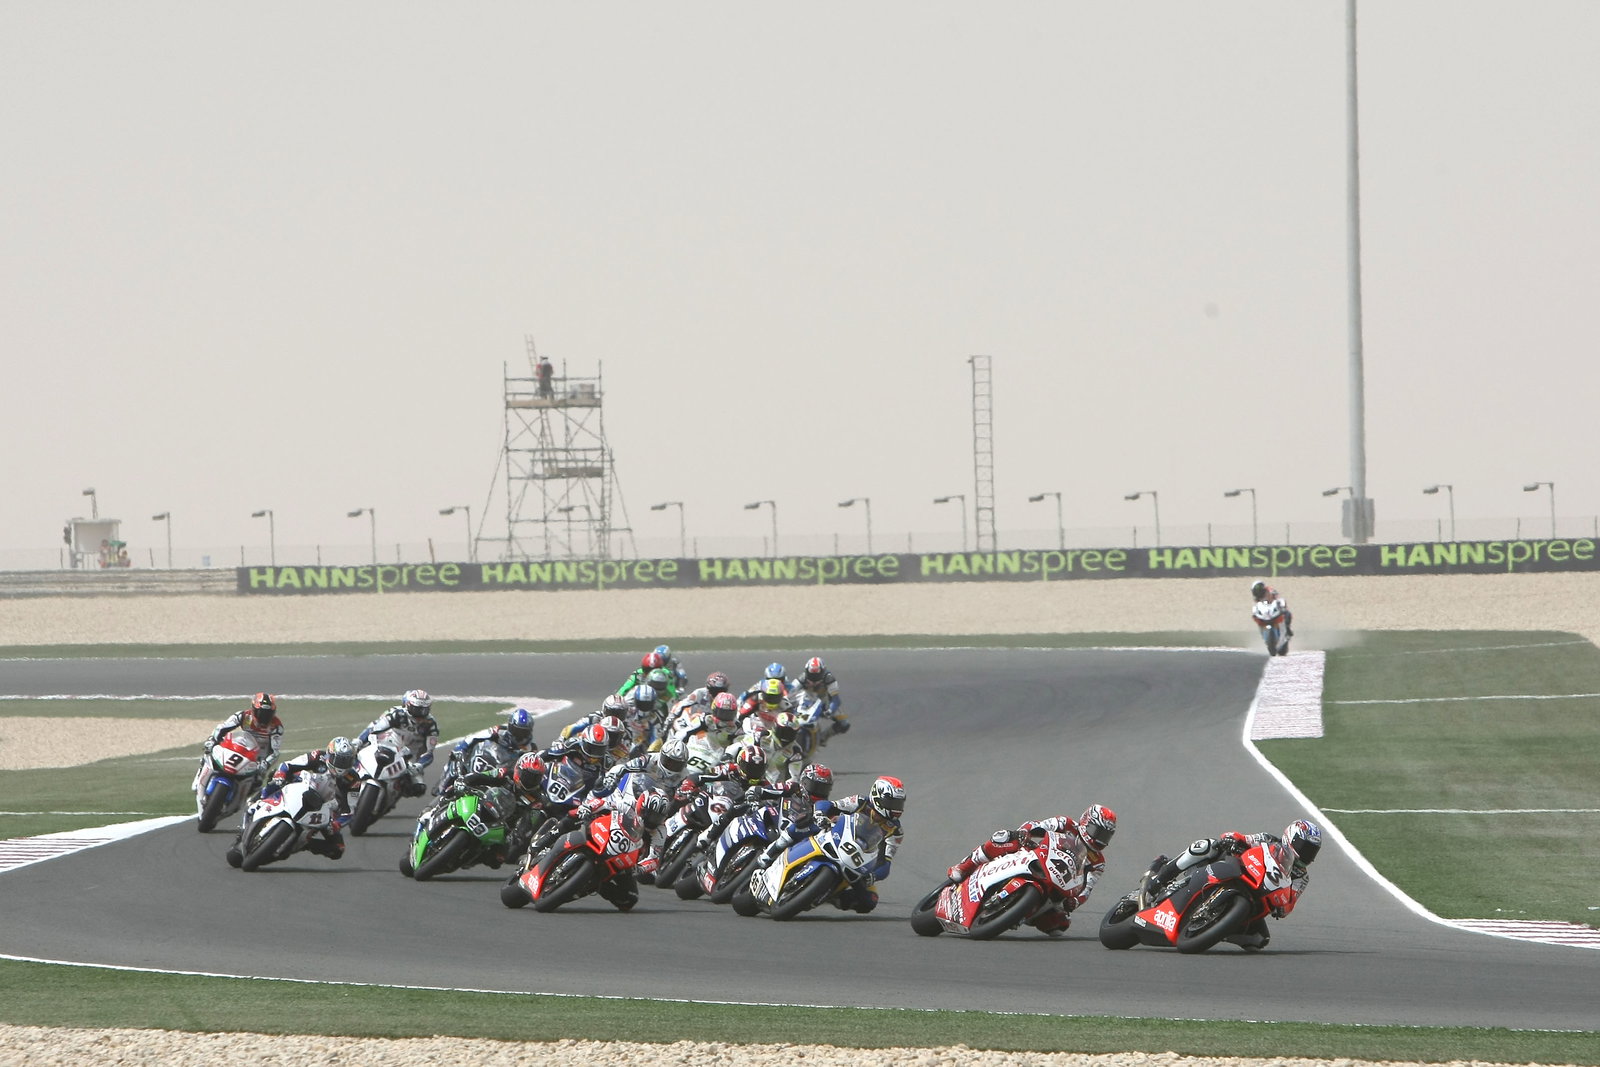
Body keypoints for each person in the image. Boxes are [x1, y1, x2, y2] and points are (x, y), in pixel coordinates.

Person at [1145, 819, 1322, 949]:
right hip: (1237, 869)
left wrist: (1282, 906)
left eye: (1312, 851)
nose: (1307, 854)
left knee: (1259, 940)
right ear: (1290, 838)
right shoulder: (1269, 840)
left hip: (1258, 897)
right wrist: (1233, 840)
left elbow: (1289, 904)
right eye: (1304, 847)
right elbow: (1242, 838)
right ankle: (1161, 877)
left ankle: (1217, 928)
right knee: (1207, 845)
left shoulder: (1302, 877)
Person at [943, 804, 1118, 936]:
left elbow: (1088, 888)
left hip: (1059, 884)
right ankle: (965, 866)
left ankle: (1020, 912)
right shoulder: (1065, 823)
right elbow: (1038, 825)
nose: (1099, 839)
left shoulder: (1098, 863)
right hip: (1036, 857)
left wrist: (1076, 901)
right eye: (1097, 831)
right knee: (1003, 837)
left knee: (1059, 924)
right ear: (1086, 822)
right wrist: (1025, 832)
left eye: (1105, 836)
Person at [226, 738, 360, 867]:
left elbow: (349, 811)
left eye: (346, 761)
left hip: (324, 810)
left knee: (338, 849)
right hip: (301, 788)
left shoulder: (353, 780)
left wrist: (336, 824)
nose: (342, 764)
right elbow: (288, 765)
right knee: (274, 776)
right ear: (330, 754)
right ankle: (256, 805)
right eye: (340, 759)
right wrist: (280, 776)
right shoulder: (318, 756)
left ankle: (303, 844)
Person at [813, 775, 906, 914]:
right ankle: (774, 851)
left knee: (870, 900)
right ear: (877, 796)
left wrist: (873, 876)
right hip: (833, 838)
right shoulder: (860, 802)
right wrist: (820, 814)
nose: (896, 808)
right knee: (804, 825)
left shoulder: (895, 831)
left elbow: (886, 863)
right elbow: (830, 805)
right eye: (891, 802)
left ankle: (835, 897)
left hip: (857, 862)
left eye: (899, 804)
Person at [355, 689, 441, 798]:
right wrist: (360, 740)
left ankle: (393, 795)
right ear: (408, 706)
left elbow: (429, 753)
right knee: (357, 753)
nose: (420, 714)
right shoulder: (398, 714)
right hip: (388, 746)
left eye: (424, 710)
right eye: (417, 709)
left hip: (410, 757)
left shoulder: (431, 724)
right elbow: (375, 728)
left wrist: (419, 765)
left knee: (419, 788)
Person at [436, 706, 537, 794]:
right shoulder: (497, 731)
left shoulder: (530, 749)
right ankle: (441, 790)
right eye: (517, 731)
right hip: (482, 763)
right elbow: (472, 738)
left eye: (524, 733)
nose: (519, 736)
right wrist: (460, 750)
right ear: (510, 727)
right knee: (454, 762)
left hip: (500, 778)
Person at [203, 693, 285, 787]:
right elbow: (222, 728)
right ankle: (201, 778)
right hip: (241, 749)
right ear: (253, 709)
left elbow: (275, 752)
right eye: (261, 713)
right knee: (209, 757)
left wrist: (265, 764)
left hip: (258, 758)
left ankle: (247, 799)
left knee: (257, 782)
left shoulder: (276, 727)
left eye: (268, 714)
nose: (264, 717)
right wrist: (213, 739)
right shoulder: (243, 716)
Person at [793, 656, 850, 740]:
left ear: (823, 671)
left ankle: (823, 738)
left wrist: (830, 710)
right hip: (805, 701)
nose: (814, 678)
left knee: (844, 724)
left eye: (817, 675)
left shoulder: (829, 678)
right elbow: (791, 689)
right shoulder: (803, 677)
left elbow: (836, 700)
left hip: (823, 703)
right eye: (811, 675)